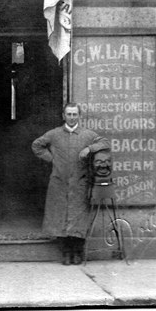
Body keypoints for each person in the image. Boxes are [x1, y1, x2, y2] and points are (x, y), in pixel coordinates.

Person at [31, 103, 109, 265]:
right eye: (69, 114)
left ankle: (78, 252)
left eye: (74, 114)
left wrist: (90, 149)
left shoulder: (88, 135)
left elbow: (105, 143)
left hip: (80, 183)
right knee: (61, 217)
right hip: (59, 183)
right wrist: (51, 159)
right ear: (63, 116)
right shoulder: (54, 134)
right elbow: (36, 145)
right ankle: (66, 253)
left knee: (79, 218)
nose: (72, 117)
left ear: (79, 116)